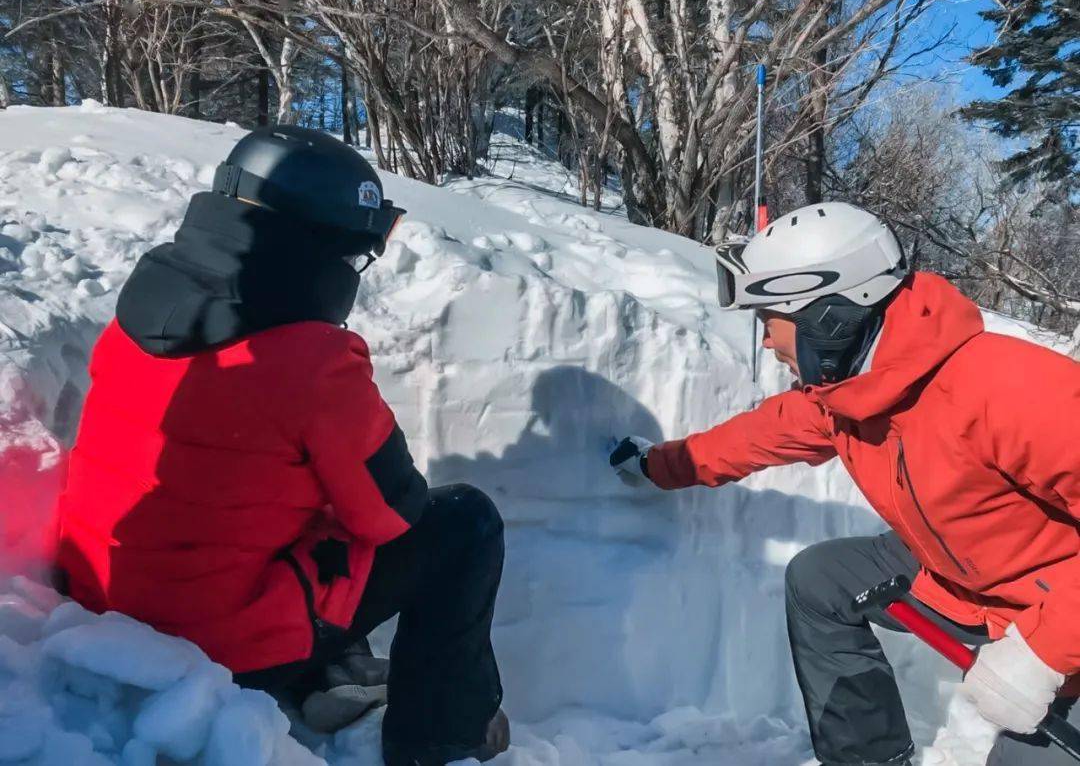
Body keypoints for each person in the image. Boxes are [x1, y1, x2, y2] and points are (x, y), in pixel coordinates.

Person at [56, 125, 509, 766]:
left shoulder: (141, 316)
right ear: (321, 246)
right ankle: (442, 737)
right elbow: (392, 510)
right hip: (216, 643)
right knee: (463, 522)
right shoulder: (312, 361)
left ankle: (322, 669)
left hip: (106, 609)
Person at [610, 202, 1080, 766]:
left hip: (1057, 615)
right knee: (821, 581)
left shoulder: (1008, 388)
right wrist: (659, 465)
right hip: (961, 582)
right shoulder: (850, 397)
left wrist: (1044, 654)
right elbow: (762, 435)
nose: (765, 344)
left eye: (769, 321)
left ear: (826, 318)